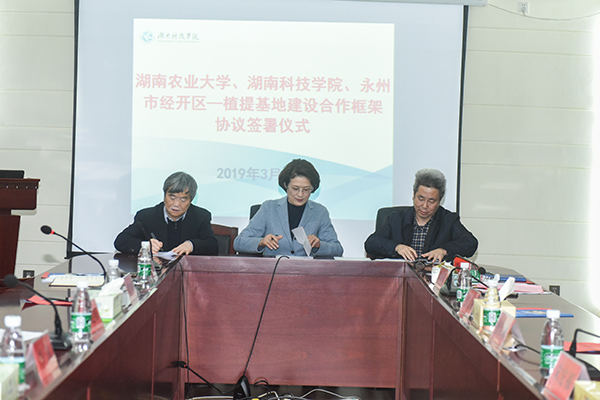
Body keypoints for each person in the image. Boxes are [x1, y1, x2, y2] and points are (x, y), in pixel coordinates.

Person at [234, 159, 343, 257]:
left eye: (306, 189)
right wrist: (261, 242)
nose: (300, 194)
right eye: (295, 188)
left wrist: (319, 245)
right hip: (273, 270)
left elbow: (337, 249)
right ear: (286, 185)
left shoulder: (320, 212)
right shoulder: (269, 208)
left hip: (306, 270)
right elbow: (239, 242)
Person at [364, 168, 477, 262]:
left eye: (431, 201)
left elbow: (470, 243)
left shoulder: (448, 220)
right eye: (421, 199)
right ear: (413, 195)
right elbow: (371, 243)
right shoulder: (396, 219)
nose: (424, 206)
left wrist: (444, 250)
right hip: (400, 276)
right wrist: (397, 247)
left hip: (433, 278)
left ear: (440, 200)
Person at [114, 171, 218, 256]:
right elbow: (121, 241)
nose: (176, 204)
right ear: (164, 195)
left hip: (187, 272)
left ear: (191, 200)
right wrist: (145, 246)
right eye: (172, 198)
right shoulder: (147, 216)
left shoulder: (200, 216)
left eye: (183, 200)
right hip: (155, 271)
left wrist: (192, 245)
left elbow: (213, 246)